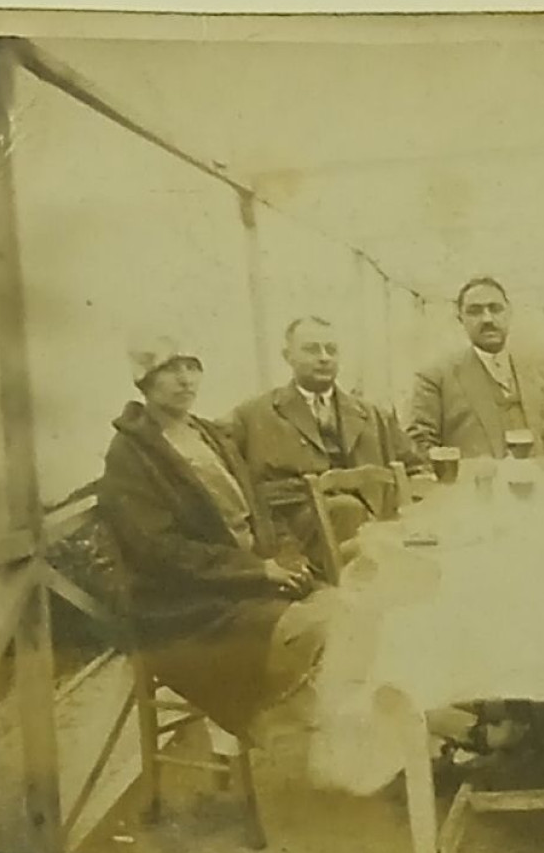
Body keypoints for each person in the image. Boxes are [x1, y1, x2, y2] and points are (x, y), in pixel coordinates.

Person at [98, 336, 329, 746]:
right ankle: (292, 750)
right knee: (317, 629)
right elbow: (159, 551)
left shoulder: (208, 433)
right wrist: (258, 570)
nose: (185, 379)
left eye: (191, 366)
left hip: (249, 582)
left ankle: (335, 746)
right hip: (187, 610)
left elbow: (262, 508)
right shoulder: (130, 455)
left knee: (355, 612)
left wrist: (286, 557)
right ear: (144, 381)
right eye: (171, 369)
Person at [228, 316, 421, 577]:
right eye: (311, 349)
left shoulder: (372, 415)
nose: (324, 357)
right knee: (344, 509)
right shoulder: (252, 416)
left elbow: (415, 468)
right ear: (288, 356)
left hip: (378, 542)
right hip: (298, 549)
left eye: (331, 349)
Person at [408, 276, 544, 458]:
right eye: (474, 311)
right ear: (460, 319)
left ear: (509, 313)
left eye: (495, 309)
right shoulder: (434, 378)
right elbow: (421, 448)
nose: (487, 319)